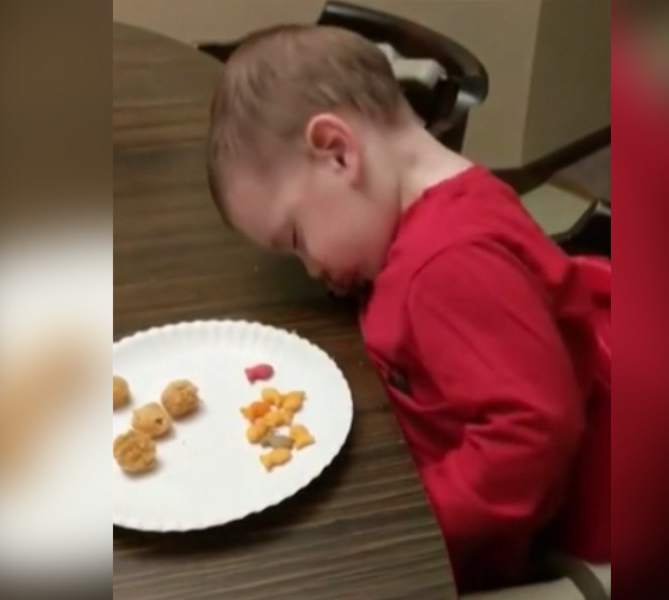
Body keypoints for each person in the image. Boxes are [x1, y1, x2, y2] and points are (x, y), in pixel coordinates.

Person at [207, 24, 610, 593]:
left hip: (512, 537)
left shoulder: (446, 268)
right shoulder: (437, 214)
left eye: (296, 238)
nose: (311, 267)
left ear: (338, 152)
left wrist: (406, 526)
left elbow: (531, 438)